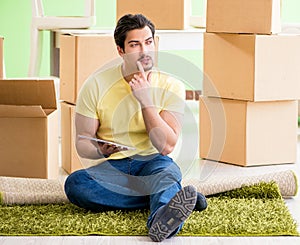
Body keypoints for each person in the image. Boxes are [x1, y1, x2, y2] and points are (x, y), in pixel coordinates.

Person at [64, 14, 207, 242]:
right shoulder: (96, 85)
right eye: (135, 44)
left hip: (153, 162)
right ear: (120, 50)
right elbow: (82, 144)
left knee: (167, 174)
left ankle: (161, 218)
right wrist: (100, 149)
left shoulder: (172, 86)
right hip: (114, 166)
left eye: (149, 42)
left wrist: (146, 101)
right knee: (76, 184)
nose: (145, 50)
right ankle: (168, 196)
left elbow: (166, 146)